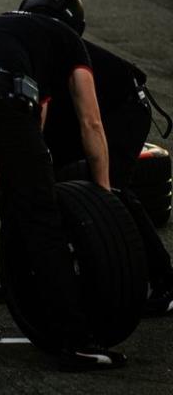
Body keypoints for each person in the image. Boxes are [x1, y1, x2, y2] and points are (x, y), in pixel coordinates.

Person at [0, 0, 126, 370]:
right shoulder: (68, 42)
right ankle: (75, 341)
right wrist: (104, 197)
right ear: (76, 25)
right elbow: (90, 121)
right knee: (41, 214)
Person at [44, 40, 173, 316]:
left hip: (124, 110)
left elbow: (92, 124)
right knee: (42, 179)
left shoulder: (64, 55)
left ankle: (166, 278)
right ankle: (41, 269)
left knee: (113, 189)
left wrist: (103, 191)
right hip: (81, 110)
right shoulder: (25, 55)